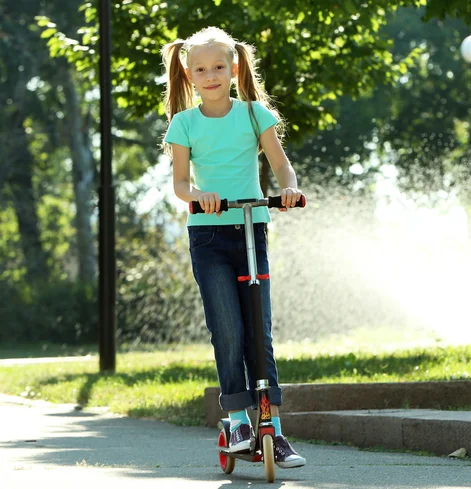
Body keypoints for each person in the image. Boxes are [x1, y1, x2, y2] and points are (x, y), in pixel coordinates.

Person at [161, 26, 306, 469]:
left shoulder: (253, 115)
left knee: (259, 333)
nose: (211, 75)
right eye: (201, 69)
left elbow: (280, 164)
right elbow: (180, 184)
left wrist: (289, 190)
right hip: (208, 235)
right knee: (227, 328)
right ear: (188, 73)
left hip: (250, 228)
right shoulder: (184, 123)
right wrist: (197, 196)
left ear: (234, 68)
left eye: (218, 67)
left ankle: (275, 432)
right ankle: (240, 420)